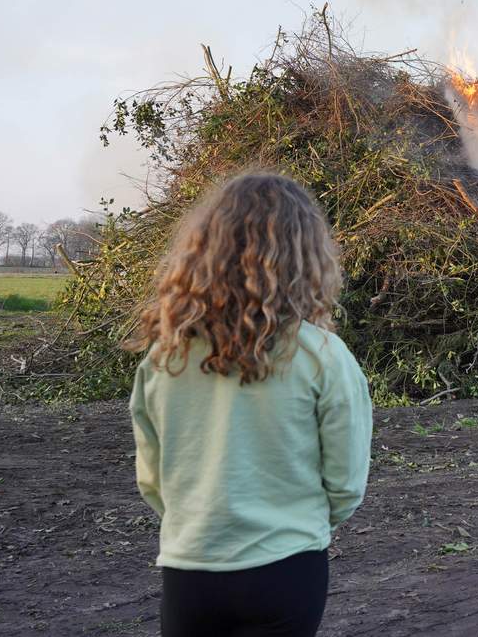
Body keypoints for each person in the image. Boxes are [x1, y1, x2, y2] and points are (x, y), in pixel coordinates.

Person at [127, 172, 374, 636]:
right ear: (306, 257)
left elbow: (153, 480)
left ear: (204, 250)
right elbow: (345, 484)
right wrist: (293, 525)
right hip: (286, 570)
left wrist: (205, 522)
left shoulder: (164, 358)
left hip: (190, 574)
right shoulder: (323, 356)